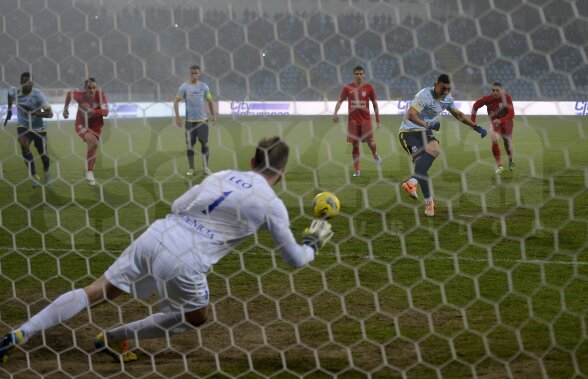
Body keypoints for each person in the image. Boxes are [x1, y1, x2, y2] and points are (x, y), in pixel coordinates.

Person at [0, 136, 334, 365]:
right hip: (187, 258)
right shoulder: (271, 204)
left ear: (251, 160)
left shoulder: (221, 175)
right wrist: (312, 245)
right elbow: (294, 260)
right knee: (196, 316)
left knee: (97, 290)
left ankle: (21, 332)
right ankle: (116, 337)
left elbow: (177, 204)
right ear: (283, 172)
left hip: (158, 234)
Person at [399, 74, 487, 217]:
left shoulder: (447, 98)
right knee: (422, 165)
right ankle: (429, 201)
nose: (446, 92)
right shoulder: (424, 95)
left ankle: (413, 182)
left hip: (425, 131)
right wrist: (429, 124)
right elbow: (411, 115)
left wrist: (475, 127)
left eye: (449, 89)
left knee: (432, 152)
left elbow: (458, 115)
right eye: (443, 88)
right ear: (435, 84)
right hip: (408, 132)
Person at [4, 72, 54, 188]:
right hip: (23, 126)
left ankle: (47, 172)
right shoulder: (16, 92)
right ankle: (34, 176)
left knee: (44, 155)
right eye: (25, 82)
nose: (28, 85)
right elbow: (10, 95)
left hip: (38, 128)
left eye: (30, 83)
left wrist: (37, 113)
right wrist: (10, 110)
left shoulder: (38, 95)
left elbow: (50, 114)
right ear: (21, 83)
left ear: (32, 83)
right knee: (23, 145)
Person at [333, 65, 382, 177]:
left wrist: (378, 120)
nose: (359, 76)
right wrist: (335, 113)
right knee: (355, 146)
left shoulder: (369, 87)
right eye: (357, 74)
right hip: (353, 122)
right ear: (353, 75)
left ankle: (375, 154)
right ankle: (357, 170)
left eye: (360, 74)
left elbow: (375, 104)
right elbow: (340, 101)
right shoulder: (347, 88)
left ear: (363, 75)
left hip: (366, 122)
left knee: (371, 144)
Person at [63, 77, 109, 186]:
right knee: (94, 143)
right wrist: (65, 108)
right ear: (85, 88)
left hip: (96, 126)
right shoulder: (80, 95)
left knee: (92, 147)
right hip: (81, 124)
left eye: (94, 88)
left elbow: (106, 112)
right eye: (89, 88)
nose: (92, 90)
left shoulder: (101, 95)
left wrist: (92, 111)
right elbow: (69, 94)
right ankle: (89, 172)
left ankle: (88, 171)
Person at [174, 64, 217, 177]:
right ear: (189, 73)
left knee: (204, 143)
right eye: (192, 73)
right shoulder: (184, 87)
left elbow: (210, 101)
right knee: (190, 145)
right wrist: (177, 117)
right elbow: (176, 101)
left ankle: (206, 168)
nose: (194, 75)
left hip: (202, 121)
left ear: (199, 73)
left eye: (196, 73)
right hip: (190, 122)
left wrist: (214, 115)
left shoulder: (204, 86)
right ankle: (191, 168)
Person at [471, 82, 515, 174]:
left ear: (501, 91)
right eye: (493, 90)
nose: (495, 92)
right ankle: (500, 166)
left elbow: (511, 114)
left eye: (497, 90)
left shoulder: (507, 98)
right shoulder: (488, 99)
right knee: (494, 139)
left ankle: (511, 161)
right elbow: (475, 106)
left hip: (507, 123)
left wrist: (501, 120)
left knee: (507, 143)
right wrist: (472, 120)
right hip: (494, 123)